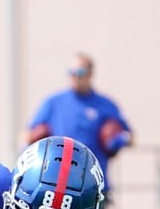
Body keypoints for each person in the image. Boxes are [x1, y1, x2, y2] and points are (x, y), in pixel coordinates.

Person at [22, 52, 132, 200]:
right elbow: (27, 135)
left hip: (91, 185)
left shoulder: (106, 104)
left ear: (91, 74)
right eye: (71, 72)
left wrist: (119, 139)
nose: (75, 76)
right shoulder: (54, 102)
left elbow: (131, 137)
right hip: (57, 185)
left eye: (80, 72)